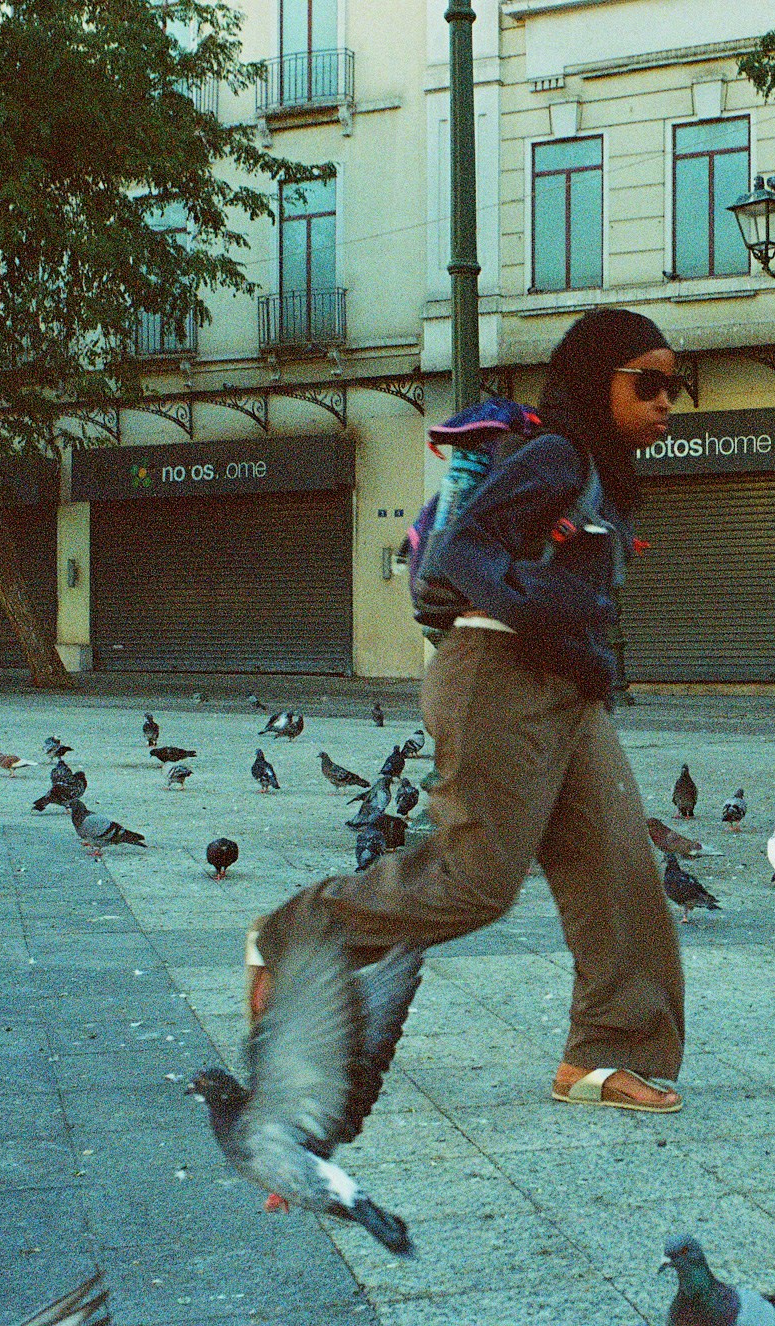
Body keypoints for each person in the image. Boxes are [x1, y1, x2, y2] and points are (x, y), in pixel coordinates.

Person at [247, 308, 690, 1113]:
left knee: (619, 869)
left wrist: (579, 642)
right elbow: (465, 552)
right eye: (648, 383)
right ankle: (293, 937)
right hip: (498, 675)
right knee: (476, 881)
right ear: (599, 382)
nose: (666, 401)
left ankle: (604, 1056)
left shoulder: (600, 467)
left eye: (674, 386)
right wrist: (548, 610)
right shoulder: (556, 454)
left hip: (565, 684)